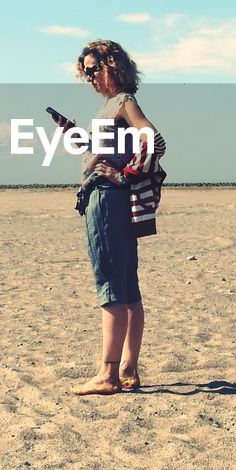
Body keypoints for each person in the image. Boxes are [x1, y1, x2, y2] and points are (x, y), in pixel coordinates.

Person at [68, 40, 160, 396]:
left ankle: (107, 375)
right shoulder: (111, 107)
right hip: (113, 199)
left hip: (107, 200)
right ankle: (128, 369)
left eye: (94, 69)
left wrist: (127, 175)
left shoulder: (123, 103)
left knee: (110, 286)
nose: (89, 77)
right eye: (85, 72)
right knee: (127, 285)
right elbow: (105, 151)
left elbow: (153, 140)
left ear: (112, 66)